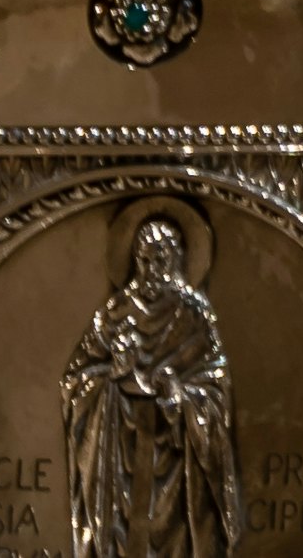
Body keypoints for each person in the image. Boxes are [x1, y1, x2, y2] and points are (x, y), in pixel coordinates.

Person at [62, 214, 243, 558]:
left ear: (175, 260)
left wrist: (182, 394)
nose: (150, 269)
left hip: (177, 456)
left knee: (175, 536)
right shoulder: (114, 313)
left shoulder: (193, 315)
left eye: (159, 259)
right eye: (143, 259)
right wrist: (114, 373)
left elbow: (216, 383)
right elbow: (75, 381)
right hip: (121, 451)